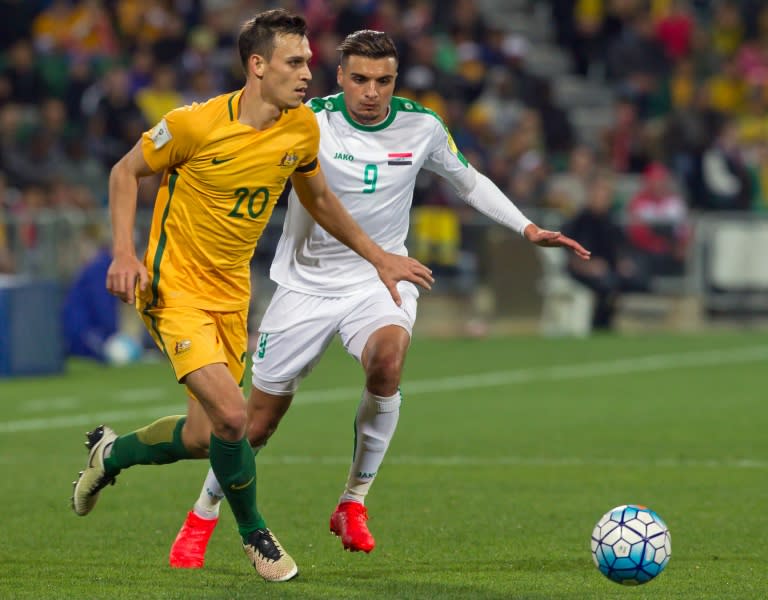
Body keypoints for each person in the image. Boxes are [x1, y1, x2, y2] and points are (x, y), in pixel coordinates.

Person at [166, 30, 591, 569]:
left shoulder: (422, 126)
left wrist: (527, 228)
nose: (371, 92)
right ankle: (202, 512)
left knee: (386, 364)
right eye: (360, 79)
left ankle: (353, 502)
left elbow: (469, 181)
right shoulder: (307, 119)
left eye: (383, 81)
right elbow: (237, 134)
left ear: (396, 80)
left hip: (380, 277)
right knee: (254, 425)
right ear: (340, 76)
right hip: (304, 285)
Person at [69, 10, 434, 584]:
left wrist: (378, 255)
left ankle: (109, 456)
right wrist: (124, 252)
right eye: (296, 62)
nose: (308, 73)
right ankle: (255, 534)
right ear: (258, 66)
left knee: (205, 434)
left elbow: (319, 200)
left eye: (309, 62)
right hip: (174, 288)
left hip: (232, 294)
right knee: (237, 418)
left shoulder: (300, 129)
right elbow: (124, 172)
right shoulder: (193, 125)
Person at [562, 170, 647, 330]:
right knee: (606, 284)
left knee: (637, 281)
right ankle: (599, 325)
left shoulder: (611, 222)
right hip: (583, 271)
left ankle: (614, 322)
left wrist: (624, 263)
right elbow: (568, 253)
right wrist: (588, 266)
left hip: (608, 270)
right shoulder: (578, 222)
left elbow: (621, 248)